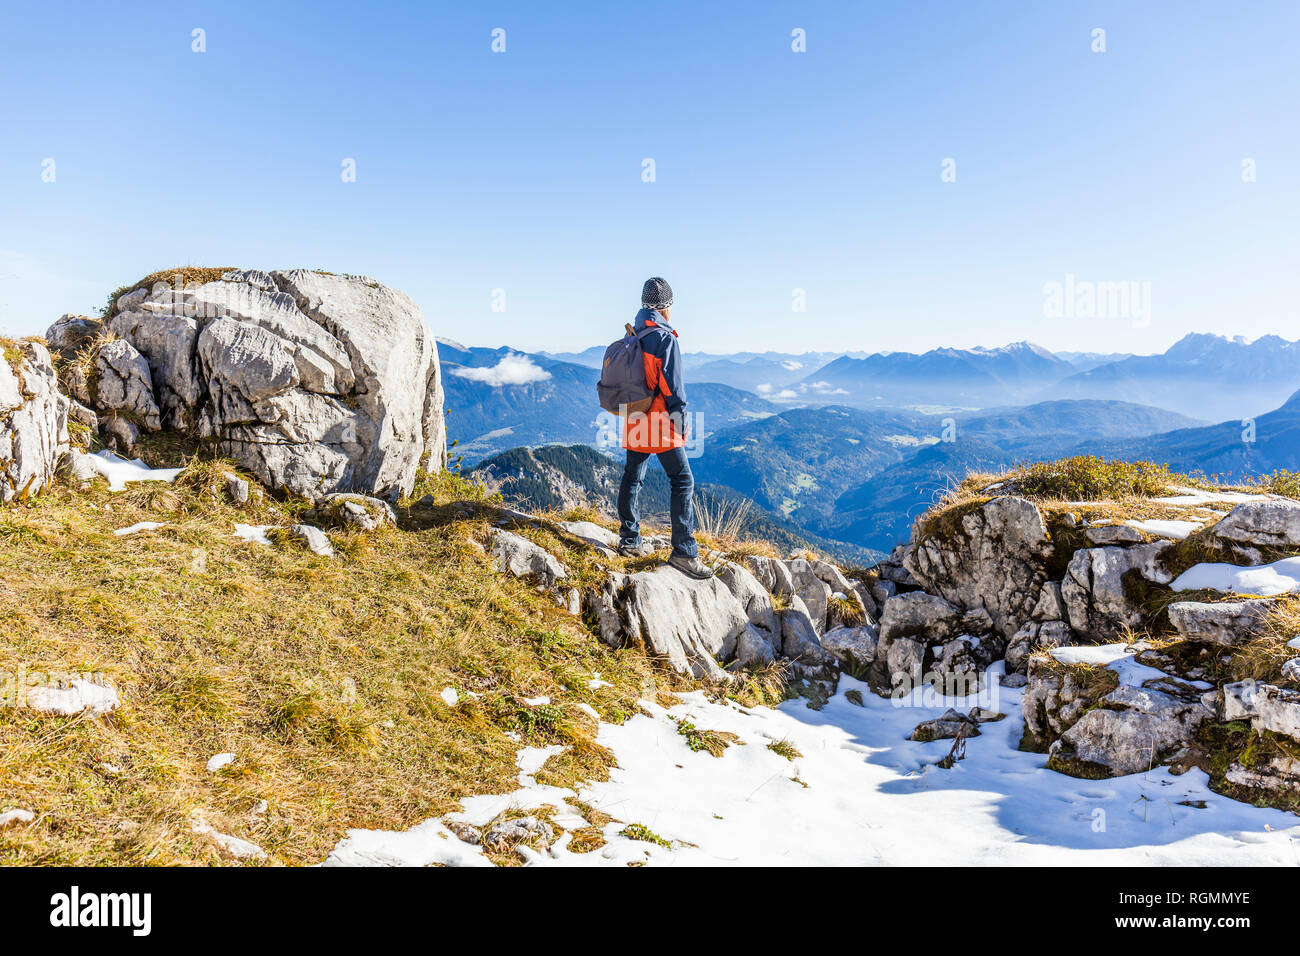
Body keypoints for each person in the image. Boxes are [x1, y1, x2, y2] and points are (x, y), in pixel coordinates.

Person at [617, 277, 712, 579]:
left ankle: (630, 540)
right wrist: (681, 423)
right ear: (665, 307)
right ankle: (684, 552)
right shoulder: (665, 339)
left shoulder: (634, 332)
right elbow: (674, 390)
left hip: (634, 417)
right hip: (660, 421)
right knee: (682, 481)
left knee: (632, 477)